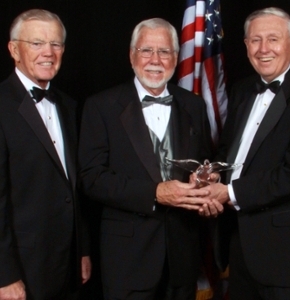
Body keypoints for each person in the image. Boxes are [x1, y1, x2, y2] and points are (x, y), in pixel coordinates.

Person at [200, 7, 290, 300]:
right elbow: (229, 151)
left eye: (273, 39)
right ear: (246, 45)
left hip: (286, 256)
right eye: (255, 40)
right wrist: (214, 174)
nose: (264, 49)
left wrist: (228, 193)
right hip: (238, 249)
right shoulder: (241, 90)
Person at [78, 18, 216, 300]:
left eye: (164, 52)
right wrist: (155, 193)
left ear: (176, 58)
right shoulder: (101, 106)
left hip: (183, 257)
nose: (155, 60)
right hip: (127, 260)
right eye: (146, 51)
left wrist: (205, 181)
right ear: (132, 56)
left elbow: (203, 162)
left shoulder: (193, 105)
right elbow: (91, 178)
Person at [0, 9, 91, 300]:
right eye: (37, 43)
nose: (48, 53)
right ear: (14, 50)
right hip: (22, 268)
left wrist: (82, 250)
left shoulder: (68, 105)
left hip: (66, 265)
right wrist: (4, 275)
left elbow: (73, 189)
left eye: (56, 44)